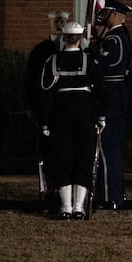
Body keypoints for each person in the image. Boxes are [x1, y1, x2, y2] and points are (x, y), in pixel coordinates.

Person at [38, 21, 104, 219]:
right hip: (84, 113)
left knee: (63, 158)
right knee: (83, 158)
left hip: (61, 113)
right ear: (81, 37)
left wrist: (45, 122)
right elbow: (100, 90)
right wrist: (101, 116)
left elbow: (45, 93)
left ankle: (65, 207)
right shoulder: (88, 60)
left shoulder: (52, 61)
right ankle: (78, 207)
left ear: (64, 37)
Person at [25, 9, 71, 210]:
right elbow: (31, 80)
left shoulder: (72, 48)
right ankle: (49, 190)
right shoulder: (41, 50)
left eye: (63, 21)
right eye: (56, 22)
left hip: (66, 108)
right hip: (47, 108)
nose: (60, 25)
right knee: (47, 151)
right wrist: (33, 106)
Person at [92, 0, 132, 210]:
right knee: (112, 146)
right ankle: (114, 193)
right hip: (116, 94)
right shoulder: (118, 36)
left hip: (111, 95)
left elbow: (101, 67)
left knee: (107, 146)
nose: (103, 16)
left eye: (107, 12)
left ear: (116, 15)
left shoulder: (115, 39)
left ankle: (109, 196)